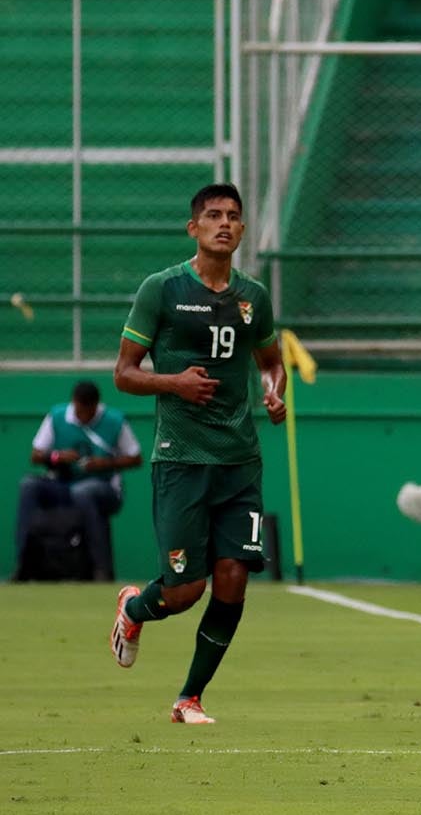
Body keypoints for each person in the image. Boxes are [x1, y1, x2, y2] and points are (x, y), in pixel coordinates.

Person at [108, 183, 287, 726]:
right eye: (213, 215)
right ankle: (135, 609)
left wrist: (273, 388)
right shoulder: (161, 290)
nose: (224, 223)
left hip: (240, 462)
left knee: (233, 578)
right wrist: (175, 384)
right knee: (185, 590)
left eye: (234, 215)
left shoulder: (253, 296)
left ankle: (189, 699)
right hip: (182, 459)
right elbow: (123, 374)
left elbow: (271, 361)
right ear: (194, 228)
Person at [13, 380, 141, 581]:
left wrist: (104, 463)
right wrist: (58, 457)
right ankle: (24, 564)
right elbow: (36, 455)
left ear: (96, 405)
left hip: (104, 487)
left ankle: (101, 570)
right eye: (79, 410)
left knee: (84, 491)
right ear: (74, 402)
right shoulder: (57, 416)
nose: (82, 416)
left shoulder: (115, 421)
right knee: (29, 486)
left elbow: (136, 458)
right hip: (63, 484)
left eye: (87, 412)